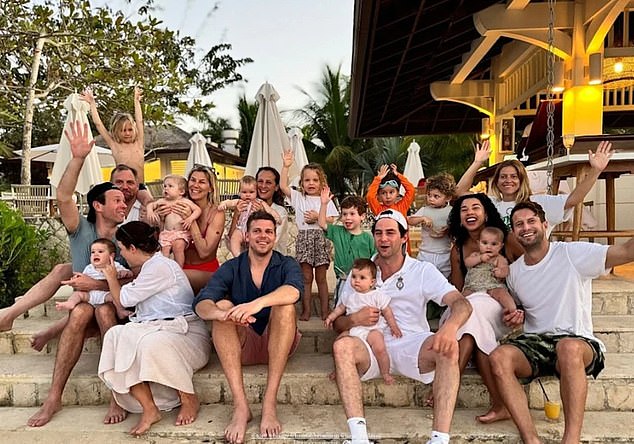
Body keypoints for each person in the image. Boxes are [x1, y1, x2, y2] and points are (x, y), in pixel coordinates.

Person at [489, 200, 634, 444]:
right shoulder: (514, 273)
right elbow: (520, 312)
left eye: (531, 221)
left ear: (545, 224)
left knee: (567, 346)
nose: (526, 228)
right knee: (499, 356)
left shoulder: (571, 253)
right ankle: (530, 438)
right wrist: (516, 316)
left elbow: (627, 252)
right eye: (519, 224)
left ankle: (571, 440)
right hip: (538, 343)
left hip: (578, 341)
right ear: (513, 233)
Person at [332, 209, 472, 444]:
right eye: (378, 233)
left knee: (448, 347)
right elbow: (337, 323)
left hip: (412, 345)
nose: (384, 239)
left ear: (404, 237)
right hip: (369, 345)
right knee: (342, 346)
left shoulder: (421, 270)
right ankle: (359, 438)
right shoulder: (360, 272)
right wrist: (354, 319)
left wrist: (448, 329)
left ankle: (439, 439)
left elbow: (461, 304)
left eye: (390, 233)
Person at [26, 121, 130, 427]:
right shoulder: (81, 229)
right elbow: (63, 197)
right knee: (80, 312)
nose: (124, 202)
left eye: (125, 200)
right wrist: (78, 158)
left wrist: (96, 282)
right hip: (87, 304)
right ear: (98, 206)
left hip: (116, 306)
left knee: (105, 311)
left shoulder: (128, 237)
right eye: (117, 200)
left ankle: (116, 395)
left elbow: (134, 280)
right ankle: (53, 397)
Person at [193, 211, 304, 444]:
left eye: (268, 232)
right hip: (243, 344)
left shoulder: (286, 263)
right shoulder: (232, 267)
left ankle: (269, 404)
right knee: (222, 307)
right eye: (257, 231)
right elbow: (202, 303)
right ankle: (241, 407)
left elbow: (294, 291)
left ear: (274, 237)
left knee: (285, 306)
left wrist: (256, 304)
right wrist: (222, 313)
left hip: (280, 341)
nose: (263, 236)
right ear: (247, 235)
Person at [98, 221, 210, 436]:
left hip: (186, 335)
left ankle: (188, 398)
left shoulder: (160, 266)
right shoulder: (149, 267)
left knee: (151, 343)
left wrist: (111, 276)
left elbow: (124, 300)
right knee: (115, 335)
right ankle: (149, 408)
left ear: (132, 248)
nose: (122, 254)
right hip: (157, 329)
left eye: (121, 249)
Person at [443, 193, 521, 423]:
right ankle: (500, 404)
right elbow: (457, 287)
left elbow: (529, 269)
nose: (469, 213)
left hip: (496, 303)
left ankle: (445, 388)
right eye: (464, 209)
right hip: (470, 301)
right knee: (471, 320)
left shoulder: (505, 239)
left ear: (486, 213)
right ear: (459, 218)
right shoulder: (457, 249)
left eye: (475, 207)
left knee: (472, 313)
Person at [455, 140, 613, 237]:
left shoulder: (538, 202)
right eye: (503, 177)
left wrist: (596, 170)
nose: (508, 180)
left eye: (513, 176)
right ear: (496, 182)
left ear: (522, 180)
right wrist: (477, 162)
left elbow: (574, 199)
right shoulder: (490, 204)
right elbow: (460, 191)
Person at [280, 150, 339, 321]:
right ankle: (306, 310)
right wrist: (286, 166)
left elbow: (332, 220)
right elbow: (283, 186)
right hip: (304, 238)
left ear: (322, 182)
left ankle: (324, 310)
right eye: (307, 180)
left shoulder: (325, 198)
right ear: (302, 183)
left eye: (315, 180)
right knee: (306, 278)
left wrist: (317, 217)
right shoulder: (298, 197)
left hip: (320, 238)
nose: (311, 183)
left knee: (321, 278)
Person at [325, 258, 402, 384]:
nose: (356, 281)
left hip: (373, 329)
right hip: (354, 330)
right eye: (354, 277)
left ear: (372, 282)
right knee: (339, 342)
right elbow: (340, 309)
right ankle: (339, 369)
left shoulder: (377, 295)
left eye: (362, 278)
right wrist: (330, 317)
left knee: (380, 348)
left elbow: (387, 311)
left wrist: (394, 326)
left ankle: (385, 372)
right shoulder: (349, 296)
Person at [81, 86, 153, 206]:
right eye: (123, 130)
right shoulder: (115, 145)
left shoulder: (139, 143)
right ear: (117, 131)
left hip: (139, 186)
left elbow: (139, 121)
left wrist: (136, 101)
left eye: (130, 129)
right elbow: (99, 125)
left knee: (149, 202)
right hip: (119, 187)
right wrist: (92, 104)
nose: (127, 133)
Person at [160, 165, 225, 293]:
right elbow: (164, 239)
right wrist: (162, 220)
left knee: (166, 279)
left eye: (202, 182)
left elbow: (204, 252)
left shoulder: (216, 213)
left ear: (211, 188)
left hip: (205, 271)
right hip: (180, 267)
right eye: (193, 180)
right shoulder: (178, 204)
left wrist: (191, 221)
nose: (195, 185)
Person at [318, 186, 376, 305]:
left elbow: (375, 260)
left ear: (362, 216)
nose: (347, 217)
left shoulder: (368, 238)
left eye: (352, 214)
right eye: (344, 214)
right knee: (340, 306)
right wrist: (324, 204)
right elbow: (322, 223)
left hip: (363, 282)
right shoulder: (337, 231)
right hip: (343, 280)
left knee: (361, 306)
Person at [55, 238, 133, 319]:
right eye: (93, 252)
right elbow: (83, 278)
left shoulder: (115, 266)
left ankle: (120, 311)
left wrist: (124, 273)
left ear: (111, 256)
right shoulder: (89, 268)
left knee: (116, 297)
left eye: (100, 252)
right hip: (90, 295)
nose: (96, 254)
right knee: (77, 294)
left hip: (106, 295)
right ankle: (71, 303)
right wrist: (76, 278)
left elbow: (130, 274)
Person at [146, 175, 201, 267]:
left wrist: (190, 219)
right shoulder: (162, 201)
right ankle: (165, 269)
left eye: (170, 186)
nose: (166, 189)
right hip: (167, 233)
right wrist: (150, 212)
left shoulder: (185, 201)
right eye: (165, 186)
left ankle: (179, 269)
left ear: (181, 191)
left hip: (180, 233)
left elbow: (198, 210)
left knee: (178, 247)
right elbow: (150, 205)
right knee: (164, 251)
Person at [219, 175, 281, 258]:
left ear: (256, 192)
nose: (248, 195)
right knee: (235, 238)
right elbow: (229, 202)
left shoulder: (259, 203)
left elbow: (270, 211)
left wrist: (277, 217)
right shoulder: (239, 202)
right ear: (239, 192)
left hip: (253, 230)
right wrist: (223, 204)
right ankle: (237, 256)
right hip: (241, 229)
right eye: (244, 192)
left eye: (251, 192)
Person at [408, 172, 455, 278]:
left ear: (447, 198)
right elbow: (409, 220)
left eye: (436, 196)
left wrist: (448, 229)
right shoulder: (425, 210)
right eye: (429, 195)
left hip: (444, 254)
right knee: (423, 278)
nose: (431, 199)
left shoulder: (451, 212)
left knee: (444, 280)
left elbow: (457, 228)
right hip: (426, 253)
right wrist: (421, 218)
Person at [462, 226, 517, 314]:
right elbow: (467, 262)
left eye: (494, 244)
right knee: (461, 299)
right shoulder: (475, 255)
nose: (489, 247)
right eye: (485, 243)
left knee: (502, 294)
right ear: (478, 243)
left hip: (492, 286)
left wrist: (500, 272)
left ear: (501, 246)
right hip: (472, 286)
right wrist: (480, 258)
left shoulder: (499, 259)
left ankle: (512, 311)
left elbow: (505, 269)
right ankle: (453, 313)